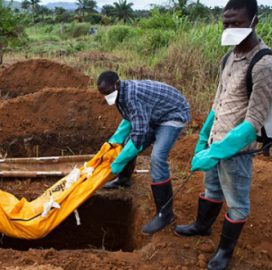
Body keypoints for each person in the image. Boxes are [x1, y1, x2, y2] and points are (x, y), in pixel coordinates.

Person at [175, 0, 272, 269]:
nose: (229, 28)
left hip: (237, 149)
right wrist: (204, 137)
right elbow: (218, 102)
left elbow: (254, 121)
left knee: (237, 202)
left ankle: (225, 254)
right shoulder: (228, 57)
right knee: (212, 188)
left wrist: (218, 151)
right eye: (225, 23)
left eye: (236, 23)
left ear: (254, 21)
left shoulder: (264, 64)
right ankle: (202, 226)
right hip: (216, 139)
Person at [97, 71, 191, 235]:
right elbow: (129, 120)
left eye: (108, 92)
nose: (108, 96)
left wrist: (118, 162)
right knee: (126, 144)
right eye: (104, 94)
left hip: (172, 114)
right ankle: (123, 179)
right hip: (154, 114)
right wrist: (114, 141)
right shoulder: (120, 93)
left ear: (117, 84)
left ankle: (165, 214)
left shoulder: (133, 96)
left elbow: (139, 135)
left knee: (157, 158)